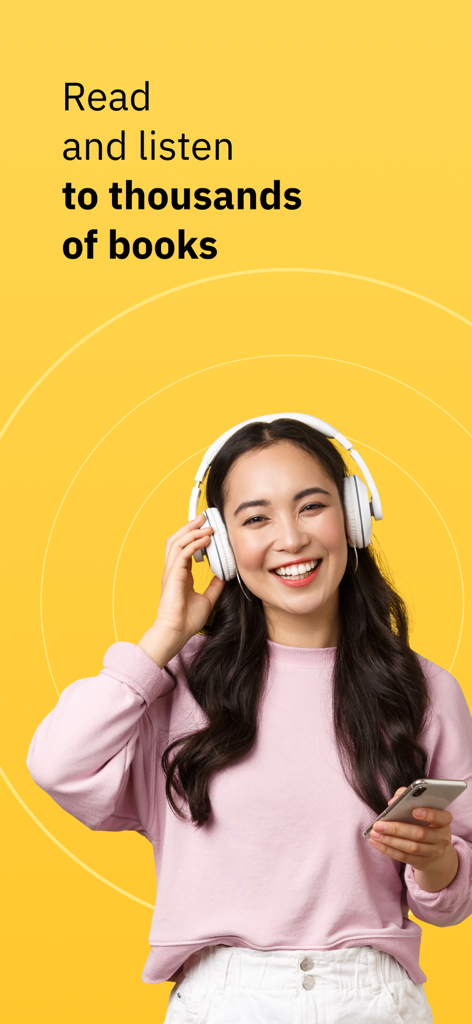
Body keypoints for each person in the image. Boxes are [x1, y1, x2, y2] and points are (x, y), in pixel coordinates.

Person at [27, 415, 472, 1024]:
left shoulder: (423, 690)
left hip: (372, 998)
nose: (291, 538)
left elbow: (453, 900)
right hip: (225, 999)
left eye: (312, 506)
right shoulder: (175, 684)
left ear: (353, 516)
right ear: (220, 545)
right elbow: (57, 764)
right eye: (256, 518)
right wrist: (164, 637)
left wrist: (435, 858)